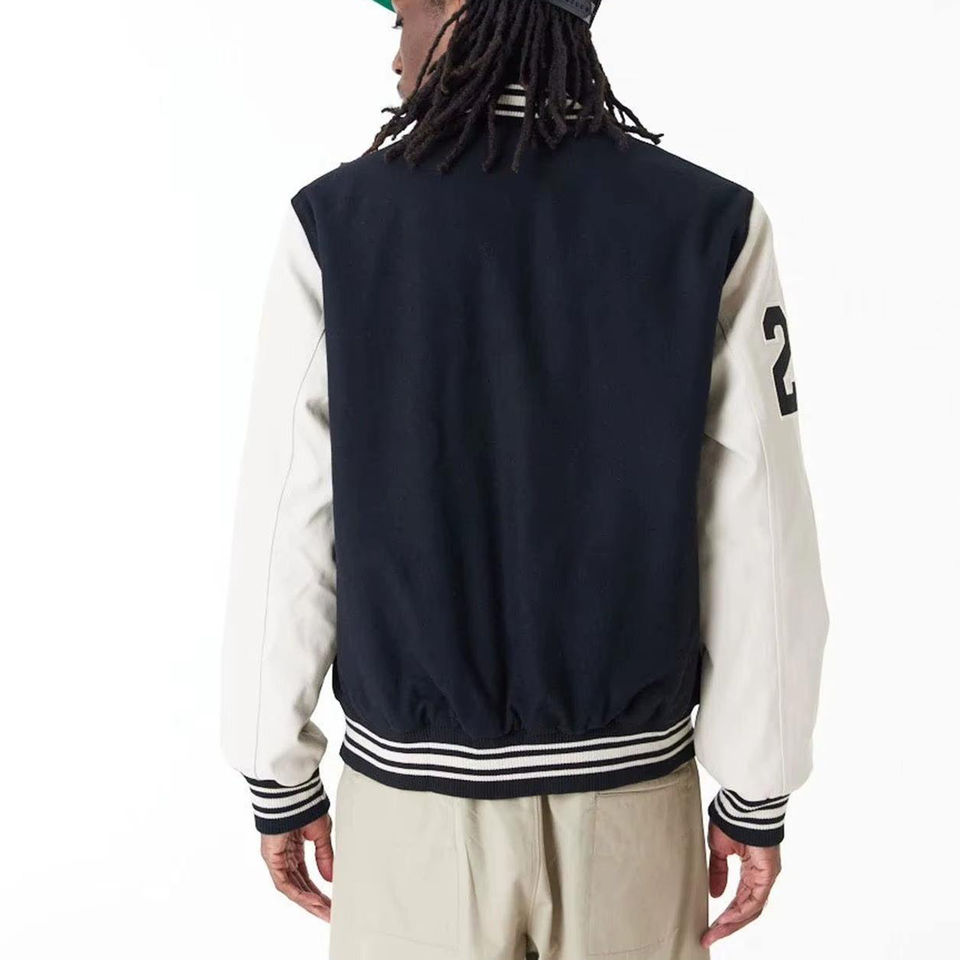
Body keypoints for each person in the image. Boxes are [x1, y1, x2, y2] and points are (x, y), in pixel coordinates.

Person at [219, 0, 830, 956]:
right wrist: (758, 785)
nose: (393, 59)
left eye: (401, 16)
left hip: (412, 817)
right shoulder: (709, 224)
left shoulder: (337, 225)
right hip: (629, 810)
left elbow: (288, 523)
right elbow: (761, 529)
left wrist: (276, 769)